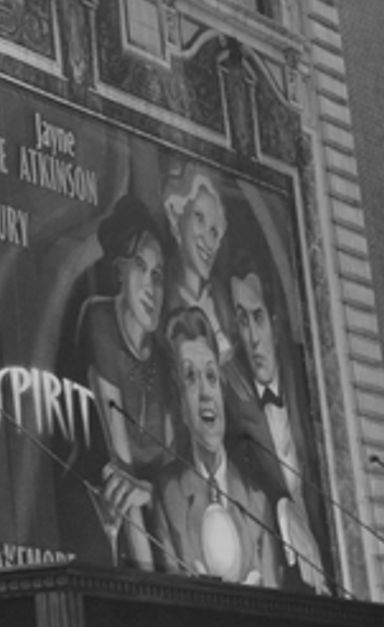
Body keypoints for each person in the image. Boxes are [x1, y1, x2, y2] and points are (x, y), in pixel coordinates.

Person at [75, 194, 171, 569]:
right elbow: (122, 467)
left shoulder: (165, 362)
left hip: (159, 527)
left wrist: (152, 494)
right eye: (140, 267)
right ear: (119, 272)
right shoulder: (100, 320)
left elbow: (175, 472)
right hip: (96, 513)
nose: (150, 287)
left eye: (158, 275)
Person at [152, 307, 277, 586]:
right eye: (191, 378)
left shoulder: (257, 501)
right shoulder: (168, 495)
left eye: (211, 376)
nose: (206, 394)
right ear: (179, 400)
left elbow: (277, 598)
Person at [227, 257, 328, 593]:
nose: (253, 338)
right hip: (281, 580)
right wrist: (283, 507)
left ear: (274, 321)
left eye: (258, 317)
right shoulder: (229, 393)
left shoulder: (308, 374)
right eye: (242, 321)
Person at [161, 164, 233, 362]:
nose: (209, 243)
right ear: (176, 215)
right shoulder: (162, 297)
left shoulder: (221, 300)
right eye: (199, 218)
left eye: (214, 231)